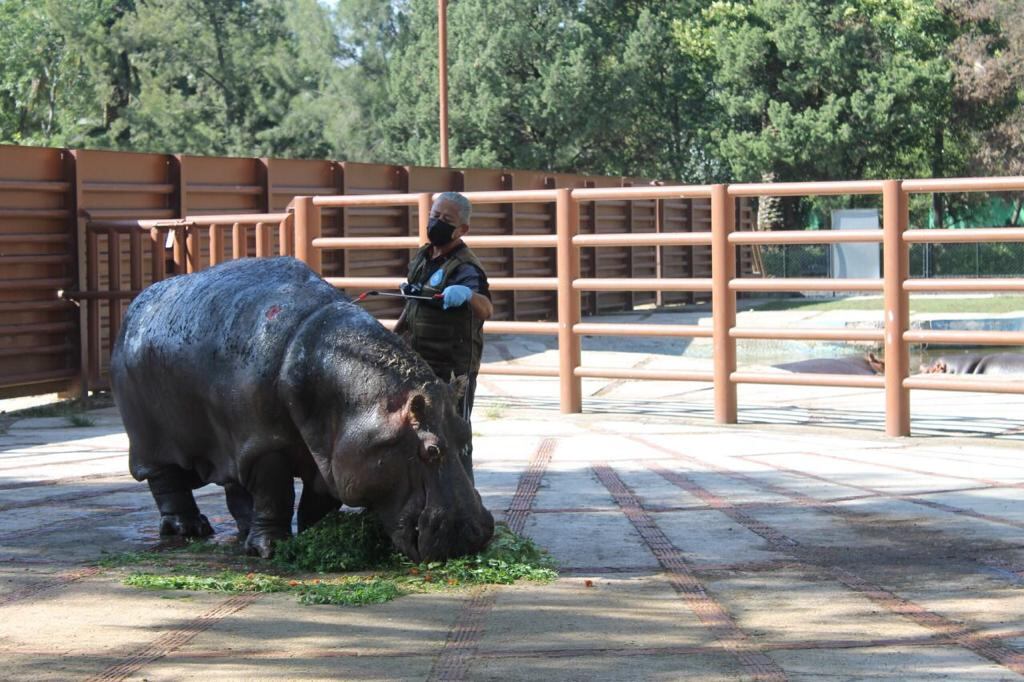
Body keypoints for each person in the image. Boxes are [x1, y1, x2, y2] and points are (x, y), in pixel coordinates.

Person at [395, 191, 493, 426]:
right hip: (417, 357)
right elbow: (412, 305)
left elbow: (487, 309)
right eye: (434, 215)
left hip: (452, 367)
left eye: (447, 221)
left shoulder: (466, 267)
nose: (437, 223)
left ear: (462, 229)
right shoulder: (423, 256)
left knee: (453, 428)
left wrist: (468, 295)